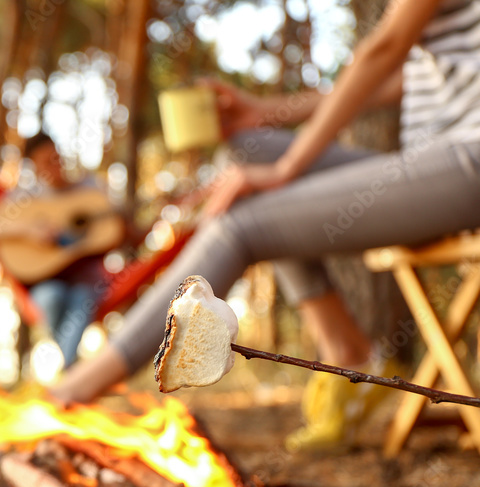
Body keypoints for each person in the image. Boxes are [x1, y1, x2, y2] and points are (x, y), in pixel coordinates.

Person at [53, 0, 480, 451]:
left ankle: (77, 389)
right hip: (431, 164)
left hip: (467, 163)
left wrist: (290, 167)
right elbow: (402, 80)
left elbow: (386, 49)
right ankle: (350, 353)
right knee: (246, 149)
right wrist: (267, 112)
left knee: (241, 224)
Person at [0, 133, 120, 368]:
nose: (54, 165)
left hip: (88, 281)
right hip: (44, 281)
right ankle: (67, 372)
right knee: (52, 297)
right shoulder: (25, 198)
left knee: (83, 299)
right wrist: (27, 229)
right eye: (46, 161)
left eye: (56, 158)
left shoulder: (90, 188)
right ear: (34, 166)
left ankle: (60, 371)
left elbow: (115, 230)